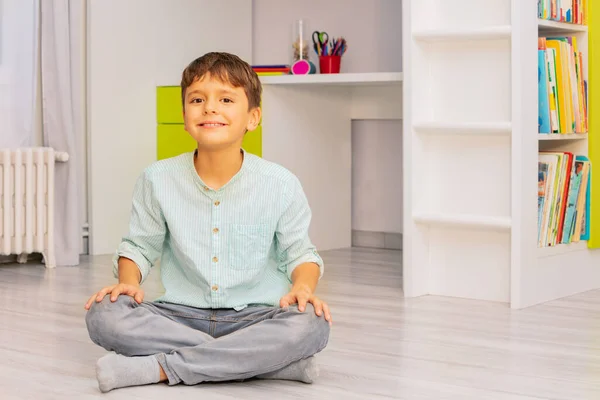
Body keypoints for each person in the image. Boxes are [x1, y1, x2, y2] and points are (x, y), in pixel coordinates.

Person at [84, 52, 332, 393]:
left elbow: (300, 253)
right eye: (197, 100)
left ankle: (160, 367)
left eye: (226, 99)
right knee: (103, 315)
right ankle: (266, 363)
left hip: (255, 316)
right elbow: (139, 246)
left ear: (253, 117)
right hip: (178, 314)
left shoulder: (281, 183)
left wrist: (302, 288)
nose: (210, 108)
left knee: (311, 324)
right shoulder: (157, 179)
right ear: (185, 117)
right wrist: (128, 282)